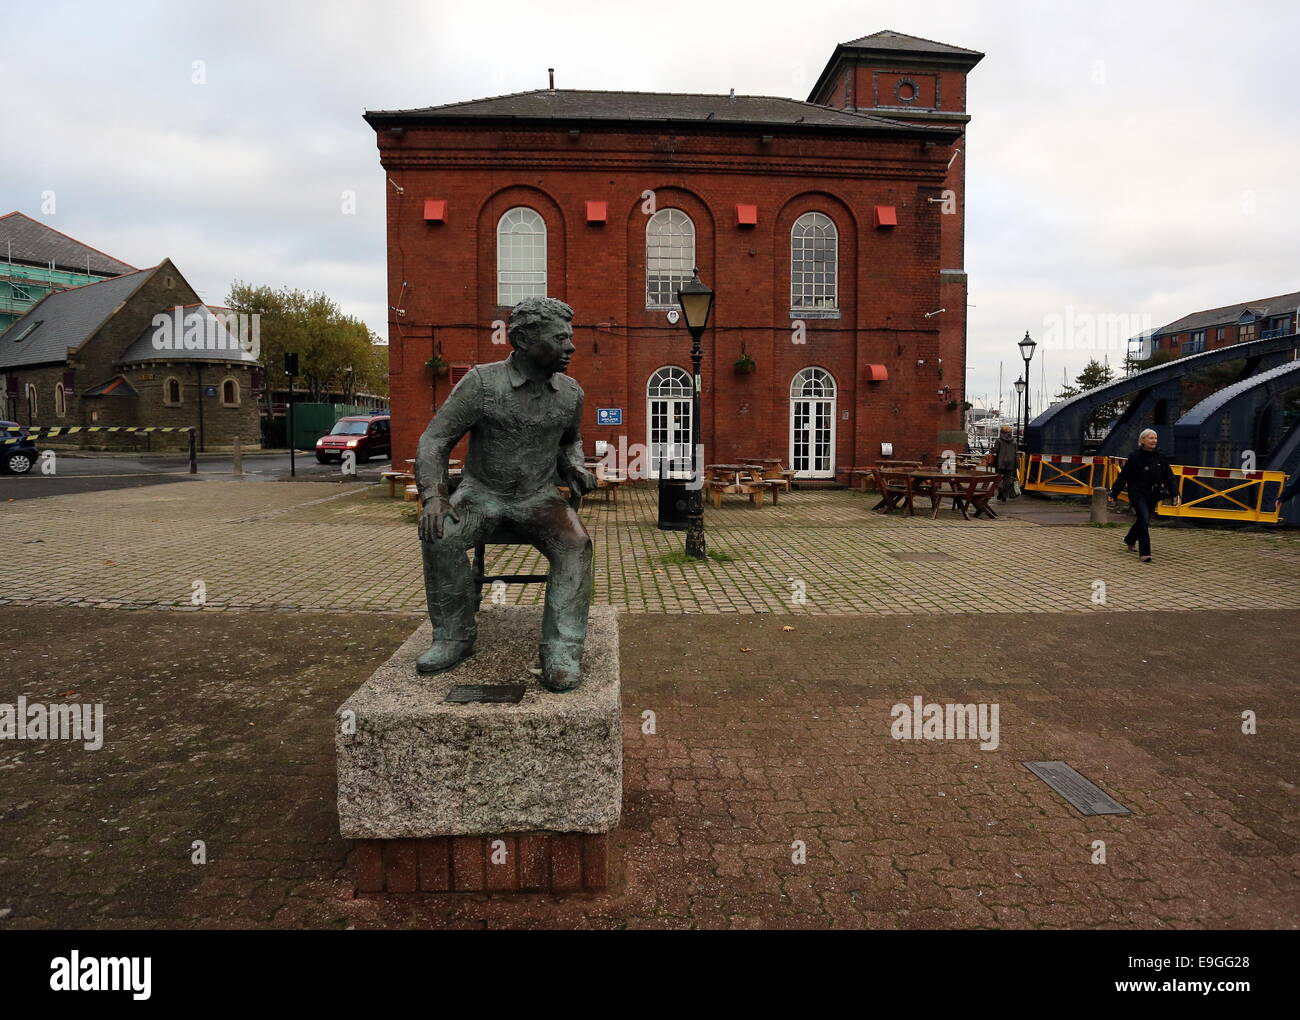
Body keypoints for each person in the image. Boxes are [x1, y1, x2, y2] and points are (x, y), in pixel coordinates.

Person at [415, 296, 597, 691]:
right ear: (524, 340)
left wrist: (576, 468)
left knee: (576, 546)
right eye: (560, 338)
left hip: (539, 498)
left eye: (571, 337)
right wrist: (434, 495)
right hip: (481, 495)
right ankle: (453, 636)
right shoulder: (482, 383)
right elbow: (435, 440)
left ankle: (561, 648)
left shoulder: (570, 393)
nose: (571, 346)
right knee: (440, 535)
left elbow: (570, 442)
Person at [1108, 428, 1179, 563]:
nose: (1154, 440)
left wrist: (1175, 493)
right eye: (1150, 438)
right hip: (1137, 492)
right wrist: (1114, 493)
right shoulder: (1135, 456)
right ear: (1142, 440)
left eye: (1155, 438)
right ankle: (1145, 553)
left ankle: (1129, 539)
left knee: (1143, 520)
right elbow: (1123, 477)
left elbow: (1169, 477)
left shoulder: (1161, 457)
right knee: (1144, 520)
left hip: (1154, 494)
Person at [985, 424, 1019, 501]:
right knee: (1007, 479)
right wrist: (1016, 465)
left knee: (998, 478)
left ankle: (1000, 490)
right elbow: (1016, 453)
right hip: (1011, 463)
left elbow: (995, 450)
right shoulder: (1014, 441)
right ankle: (1004, 495)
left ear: (1001, 432)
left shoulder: (999, 440)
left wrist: (991, 450)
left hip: (1000, 462)